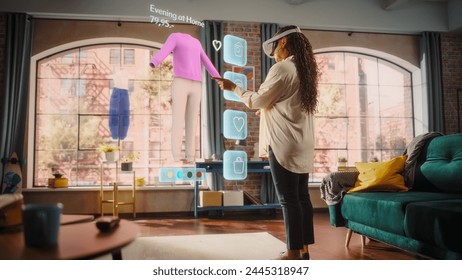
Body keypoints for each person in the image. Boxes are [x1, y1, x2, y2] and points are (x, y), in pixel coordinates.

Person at [214, 25, 319, 260]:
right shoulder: (306, 71)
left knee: (288, 199)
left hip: (283, 143)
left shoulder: (281, 68)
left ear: (282, 43)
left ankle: (292, 252)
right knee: (302, 197)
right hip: (302, 142)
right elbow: (287, 104)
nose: (274, 55)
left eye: (275, 49)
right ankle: (304, 250)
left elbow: (258, 100)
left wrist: (235, 88)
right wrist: (269, 110)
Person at [150, 32, 221, 164]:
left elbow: (205, 60)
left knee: (184, 121)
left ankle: (186, 156)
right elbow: (207, 62)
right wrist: (219, 78)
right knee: (187, 121)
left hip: (188, 83)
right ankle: (183, 156)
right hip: (190, 84)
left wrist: (155, 61)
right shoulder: (185, 39)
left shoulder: (179, 38)